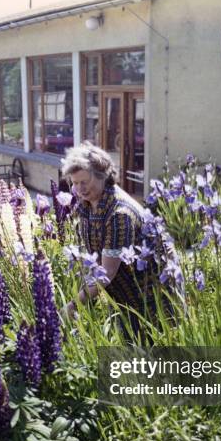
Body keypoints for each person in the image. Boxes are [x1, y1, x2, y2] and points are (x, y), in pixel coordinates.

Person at [60, 142, 150, 334]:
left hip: (148, 296)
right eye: (74, 183)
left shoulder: (119, 214)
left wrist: (73, 305)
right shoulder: (88, 203)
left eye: (84, 182)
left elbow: (107, 272)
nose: (79, 189)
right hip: (121, 295)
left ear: (103, 178)